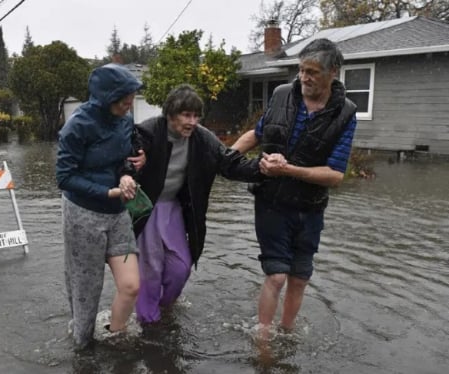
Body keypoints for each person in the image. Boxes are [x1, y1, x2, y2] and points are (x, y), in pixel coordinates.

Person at [231, 38, 358, 337]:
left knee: (299, 278)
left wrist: (288, 169)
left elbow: (335, 175)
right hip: (271, 202)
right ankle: (263, 338)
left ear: (333, 72)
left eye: (313, 72)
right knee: (276, 276)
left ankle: (287, 334)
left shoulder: (346, 114)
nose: (304, 78)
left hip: (310, 209)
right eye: (301, 70)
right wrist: (226, 158)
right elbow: (257, 134)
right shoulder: (281, 95)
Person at [133, 84, 262, 324]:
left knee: (181, 267)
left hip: (173, 208)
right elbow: (127, 151)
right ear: (170, 114)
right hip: (146, 207)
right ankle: (148, 322)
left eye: (196, 115)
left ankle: (164, 308)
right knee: (150, 270)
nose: (192, 122)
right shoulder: (150, 131)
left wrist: (261, 167)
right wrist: (132, 162)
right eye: (186, 115)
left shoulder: (202, 138)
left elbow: (228, 163)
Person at [56, 63, 145, 349]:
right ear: (106, 97)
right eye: (124, 98)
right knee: (86, 293)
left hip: (118, 214)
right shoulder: (76, 127)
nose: (130, 103)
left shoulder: (125, 120)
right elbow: (64, 177)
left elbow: (123, 159)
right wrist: (108, 191)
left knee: (131, 286)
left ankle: (116, 343)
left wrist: (127, 174)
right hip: (83, 215)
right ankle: (83, 352)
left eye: (132, 97)